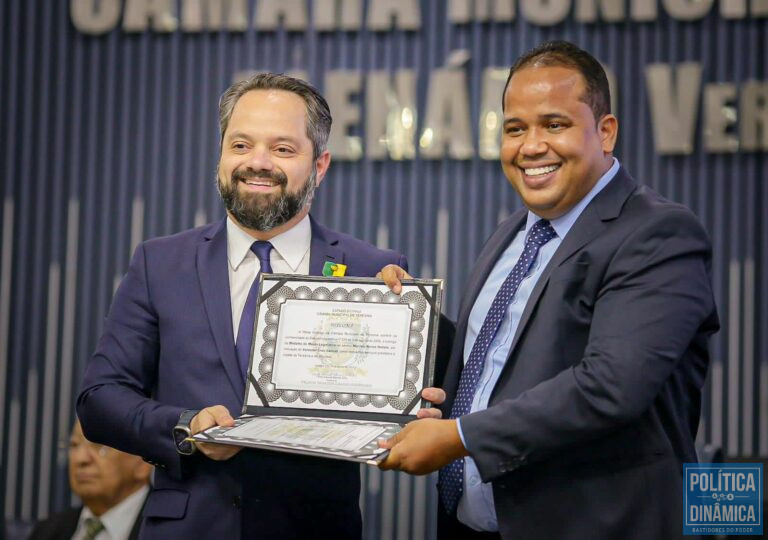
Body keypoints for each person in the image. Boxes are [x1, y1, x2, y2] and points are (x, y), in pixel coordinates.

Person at [378, 41, 719, 539]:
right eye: (515, 129)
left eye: (554, 125)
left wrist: (459, 437)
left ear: (606, 132)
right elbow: (492, 361)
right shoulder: (516, 231)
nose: (531, 146)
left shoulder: (658, 233)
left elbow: (610, 387)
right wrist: (406, 321)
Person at [76, 73, 441, 540]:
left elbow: (403, 416)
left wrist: (410, 411)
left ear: (321, 164)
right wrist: (187, 426)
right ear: (222, 154)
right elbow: (100, 399)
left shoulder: (375, 270)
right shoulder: (159, 263)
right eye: (241, 145)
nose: (258, 163)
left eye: (283, 149)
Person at [28, 420, 151, 540]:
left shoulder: (166, 532)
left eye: (99, 445)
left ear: (143, 462)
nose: (80, 458)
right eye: (74, 444)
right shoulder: (46, 531)